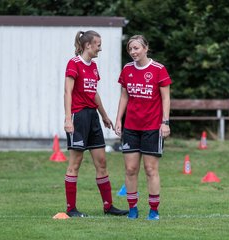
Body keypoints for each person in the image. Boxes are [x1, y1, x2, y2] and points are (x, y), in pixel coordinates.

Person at [63, 30, 128, 217]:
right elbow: (67, 92)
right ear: (88, 45)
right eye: (98, 44)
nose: (100, 48)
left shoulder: (93, 66)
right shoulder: (73, 64)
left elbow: (94, 93)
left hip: (93, 117)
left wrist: (104, 115)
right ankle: (71, 209)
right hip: (78, 116)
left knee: (101, 162)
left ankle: (108, 207)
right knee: (76, 162)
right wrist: (68, 119)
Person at [115, 35, 172, 220]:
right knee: (131, 169)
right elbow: (124, 96)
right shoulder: (127, 69)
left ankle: (153, 210)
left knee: (150, 169)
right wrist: (118, 120)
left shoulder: (158, 69)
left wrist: (165, 122)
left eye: (136, 48)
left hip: (152, 127)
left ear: (146, 48)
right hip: (131, 127)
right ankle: (132, 209)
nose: (133, 52)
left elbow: (165, 98)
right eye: (130, 49)